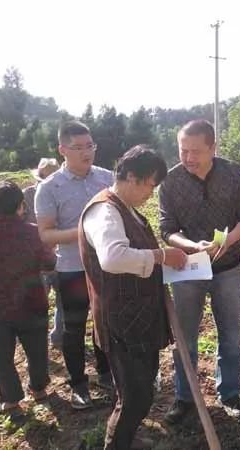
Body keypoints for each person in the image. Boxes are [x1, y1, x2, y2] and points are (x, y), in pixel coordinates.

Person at [80, 146, 187, 450]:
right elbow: (112, 258)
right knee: (133, 398)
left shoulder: (124, 208)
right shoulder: (105, 211)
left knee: (142, 391)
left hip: (137, 318)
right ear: (131, 176)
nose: (151, 193)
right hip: (121, 320)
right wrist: (160, 255)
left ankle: (127, 438)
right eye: (150, 185)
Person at [158, 119, 240, 422]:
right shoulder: (170, 181)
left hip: (228, 268)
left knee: (231, 334)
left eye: (195, 151)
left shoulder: (233, 173)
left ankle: (230, 394)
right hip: (188, 269)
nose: (188, 157)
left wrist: (228, 240)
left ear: (213, 147)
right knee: (184, 337)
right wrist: (190, 245)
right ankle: (184, 397)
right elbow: (167, 228)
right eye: (183, 150)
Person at [35, 121, 113, 410]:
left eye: (90, 146)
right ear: (62, 150)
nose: (86, 152)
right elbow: (46, 234)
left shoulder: (107, 179)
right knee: (74, 327)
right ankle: (78, 384)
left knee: (105, 321)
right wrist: (85, 230)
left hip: (106, 265)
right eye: (78, 147)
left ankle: (106, 374)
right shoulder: (49, 187)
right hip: (71, 269)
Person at [0, 181, 56, 415]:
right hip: (31, 302)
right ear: (21, 206)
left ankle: (12, 401)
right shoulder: (33, 231)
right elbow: (49, 263)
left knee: (1, 355)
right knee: (37, 350)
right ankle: (39, 390)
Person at [23, 158, 63, 348]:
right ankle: (43, 340)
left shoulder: (29, 195)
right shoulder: (26, 196)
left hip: (58, 257)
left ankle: (56, 336)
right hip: (39, 259)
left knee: (62, 302)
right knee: (40, 302)